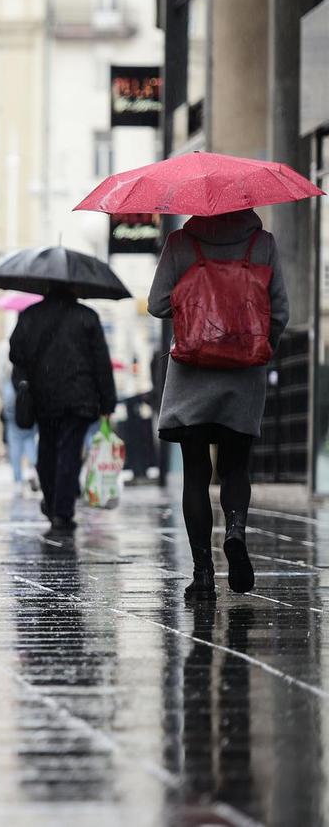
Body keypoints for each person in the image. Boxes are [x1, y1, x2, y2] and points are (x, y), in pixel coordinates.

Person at [148, 209, 288, 598]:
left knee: (196, 472)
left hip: (191, 374)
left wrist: (192, 298)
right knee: (235, 467)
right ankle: (236, 532)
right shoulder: (263, 245)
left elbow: (157, 304)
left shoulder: (181, 243)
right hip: (243, 376)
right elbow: (281, 313)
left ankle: (203, 575)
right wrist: (258, 348)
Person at [10, 285, 116, 537]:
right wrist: (107, 400)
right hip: (79, 396)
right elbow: (101, 361)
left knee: (46, 447)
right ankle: (62, 510)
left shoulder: (29, 315)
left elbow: (16, 355)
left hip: (43, 395)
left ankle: (52, 499)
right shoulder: (87, 317)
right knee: (70, 450)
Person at [0, 339, 38, 493]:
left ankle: (18, 479)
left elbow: (0, 378)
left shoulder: (4, 350)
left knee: (15, 442)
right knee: (29, 439)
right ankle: (35, 468)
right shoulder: (30, 351)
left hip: (11, 404)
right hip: (27, 403)